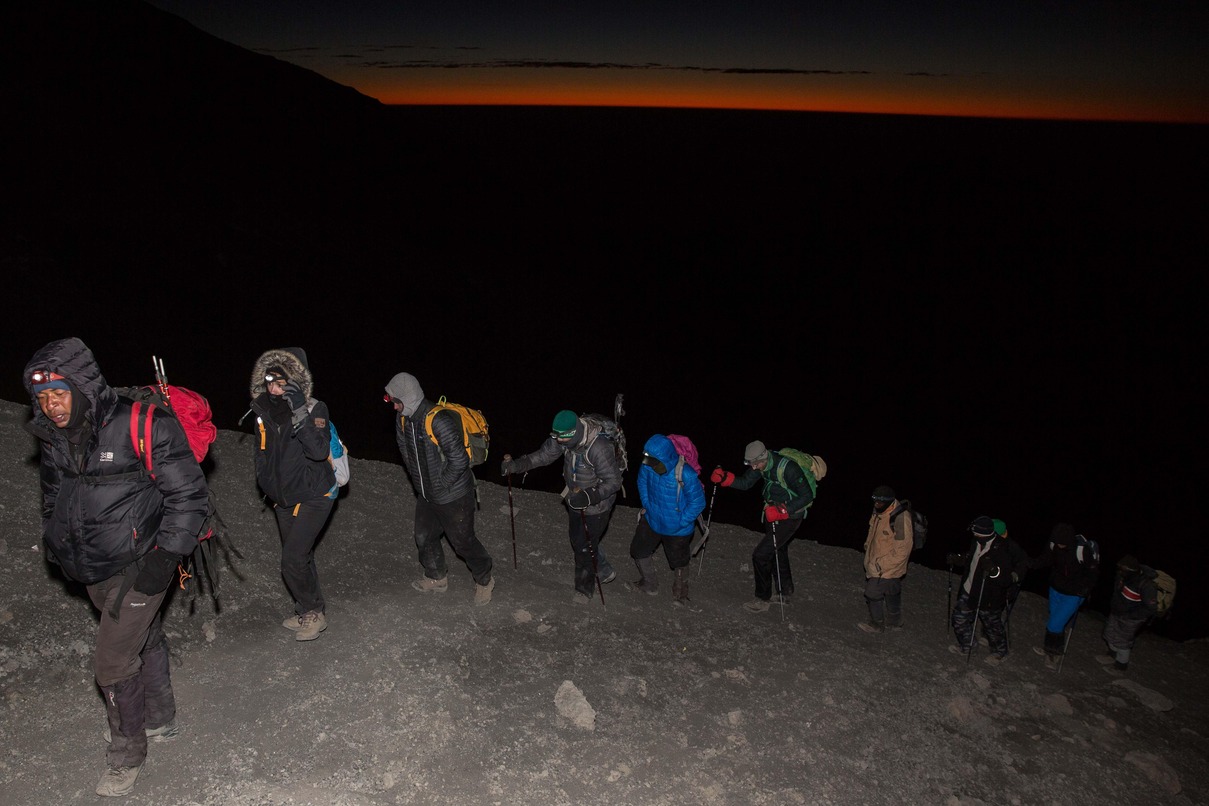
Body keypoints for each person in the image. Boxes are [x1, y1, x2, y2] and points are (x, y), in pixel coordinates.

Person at [23, 338, 209, 797]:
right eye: (43, 397)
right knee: (142, 638)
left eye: (60, 393)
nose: (52, 405)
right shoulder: (53, 434)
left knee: (111, 662)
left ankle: (128, 755)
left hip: (143, 559)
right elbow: (53, 494)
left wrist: (163, 559)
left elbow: (190, 497)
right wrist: (56, 542)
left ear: (82, 387)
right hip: (93, 564)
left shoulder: (144, 424)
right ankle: (159, 718)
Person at [248, 347, 337, 642]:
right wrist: (266, 483)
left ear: (296, 381)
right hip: (284, 499)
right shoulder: (263, 412)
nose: (275, 388)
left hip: (314, 494)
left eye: (282, 381)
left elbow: (318, 450)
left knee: (291, 559)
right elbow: (262, 454)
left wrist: (300, 409)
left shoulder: (314, 409)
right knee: (301, 557)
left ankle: (312, 612)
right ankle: (309, 609)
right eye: (271, 380)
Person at [384, 373, 495, 605]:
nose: (392, 405)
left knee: (463, 542)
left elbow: (459, 461)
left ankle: (484, 579)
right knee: (424, 536)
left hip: (453, 494)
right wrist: (419, 481)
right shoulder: (403, 419)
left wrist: (439, 485)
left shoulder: (438, 420)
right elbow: (404, 450)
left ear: (408, 398)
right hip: (427, 493)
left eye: (394, 400)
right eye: (389, 400)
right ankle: (436, 577)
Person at [500, 409, 621, 603]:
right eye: (557, 438)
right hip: (573, 498)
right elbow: (543, 456)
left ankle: (584, 590)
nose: (559, 443)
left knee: (583, 546)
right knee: (579, 539)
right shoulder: (562, 439)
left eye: (563, 440)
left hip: (597, 506)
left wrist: (590, 496)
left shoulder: (599, 447)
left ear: (575, 433)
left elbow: (614, 482)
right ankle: (604, 569)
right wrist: (517, 465)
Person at [710, 440, 814, 613]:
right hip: (771, 511)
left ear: (762, 458)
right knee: (777, 549)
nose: (752, 467)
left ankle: (762, 598)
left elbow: (807, 496)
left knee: (761, 555)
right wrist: (726, 478)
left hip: (791, 516)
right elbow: (745, 483)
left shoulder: (788, 468)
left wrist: (783, 510)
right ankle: (785, 592)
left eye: (753, 463)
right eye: (749, 463)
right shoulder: (761, 465)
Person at [630, 434, 706, 604]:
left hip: (678, 528)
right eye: (648, 458)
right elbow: (641, 483)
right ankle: (649, 584)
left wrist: (681, 521)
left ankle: (680, 594)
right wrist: (648, 505)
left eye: (654, 460)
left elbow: (698, 502)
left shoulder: (685, 473)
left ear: (666, 457)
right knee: (638, 550)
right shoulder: (648, 466)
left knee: (678, 560)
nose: (649, 463)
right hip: (652, 519)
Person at [946, 515, 1028, 666]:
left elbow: (1005, 580)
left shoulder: (1003, 549)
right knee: (959, 618)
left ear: (984, 533)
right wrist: (959, 559)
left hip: (989, 596)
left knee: (992, 627)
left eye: (976, 533)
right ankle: (968, 645)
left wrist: (993, 570)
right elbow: (972, 558)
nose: (973, 535)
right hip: (969, 589)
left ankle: (1000, 652)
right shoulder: (976, 541)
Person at [1028, 523, 1100, 670]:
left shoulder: (1082, 550)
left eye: (1062, 543)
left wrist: (1085, 590)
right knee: (1056, 621)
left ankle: (1053, 654)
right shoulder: (1054, 543)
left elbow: (1093, 574)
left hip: (1074, 594)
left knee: (1054, 623)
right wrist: (1030, 564)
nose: (1059, 545)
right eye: (1057, 542)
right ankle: (1051, 648)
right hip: (1055, 588)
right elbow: (1045, 559)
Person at [858, 485, 913, 633]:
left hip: (887, 564)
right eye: (875, 501)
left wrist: (880, 565)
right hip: (879, 559)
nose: (876, 505)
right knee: (892, 590)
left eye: (880, 502)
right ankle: (895, 622)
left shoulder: (900, 519)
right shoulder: (879, 511)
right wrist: (868, 544)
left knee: (872, 592)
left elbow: (903, 550)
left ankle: (877, 624)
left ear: (889, 502)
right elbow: (872, 529)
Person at [1099, 554, 1159, 672]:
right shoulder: (1122, 576)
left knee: (1123, 641)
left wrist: (1132, 615)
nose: (1120, 571)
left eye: (1123, 569)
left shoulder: (1146, 585)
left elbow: (1151, 608)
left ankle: (1121, 666)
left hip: (1132, 617)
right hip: (1117, 611)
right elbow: (1117, 592)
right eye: (1120, 568)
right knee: (1109, 632)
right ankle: (1111, 655)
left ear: (1131, 570)